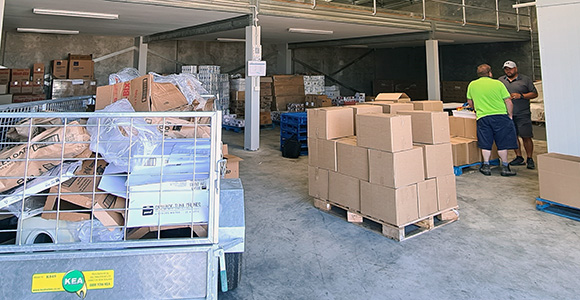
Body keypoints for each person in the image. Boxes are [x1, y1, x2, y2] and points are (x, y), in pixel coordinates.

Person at [466, 64, 518, 176]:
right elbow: (508, 101)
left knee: (485, 141)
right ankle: (505, 167)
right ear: (490, 73)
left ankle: (486, 166)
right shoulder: (498, 84)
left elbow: (470, 102)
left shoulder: (472, 85)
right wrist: (510, 115)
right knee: (502, 142)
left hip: (483, 117)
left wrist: (476, 110)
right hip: (500, 116)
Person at [498, 60, 539, 169]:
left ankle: (530, 158)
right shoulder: (501, 80)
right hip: (507, 114)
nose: (508, 71)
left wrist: (521, 96)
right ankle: (519, 157)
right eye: (506, 69)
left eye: (510, 69)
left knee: (526, 136)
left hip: (522, 113)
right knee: (513, 136)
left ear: (515, 68)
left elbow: (534, 94)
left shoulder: (525, 80)